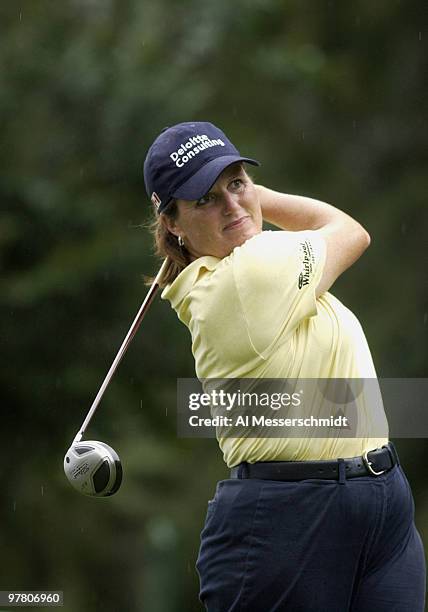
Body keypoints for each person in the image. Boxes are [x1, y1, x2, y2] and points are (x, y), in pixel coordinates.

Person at [143, 121, 426, 611]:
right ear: (172, 221)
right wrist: (260, 198)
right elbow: (350, 232)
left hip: (380, 500)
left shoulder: (243, 268)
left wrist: (244, 199)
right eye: (206, 199)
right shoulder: (248, 273)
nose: (232, 206)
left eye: (236, 183)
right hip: (290, 521)